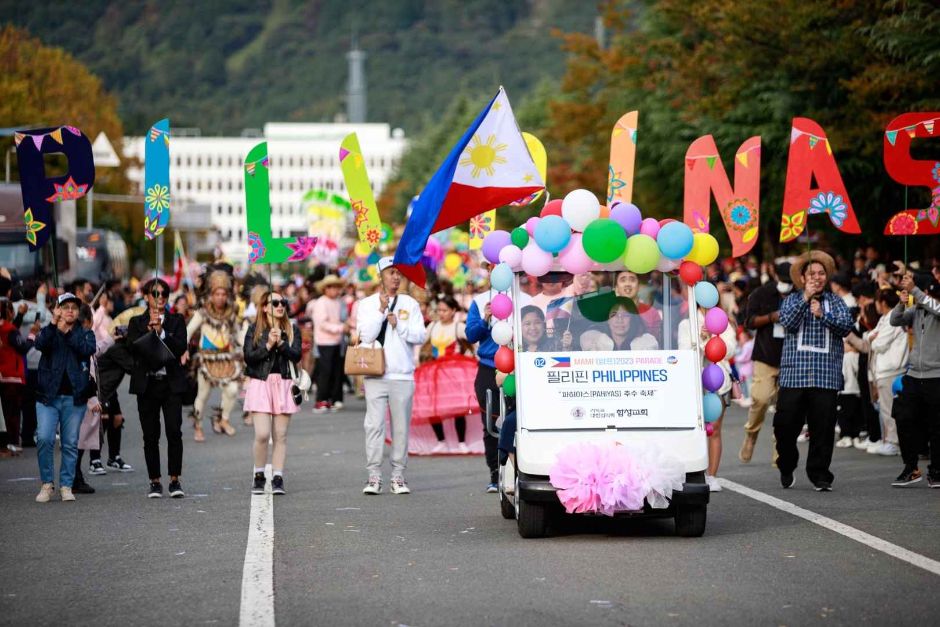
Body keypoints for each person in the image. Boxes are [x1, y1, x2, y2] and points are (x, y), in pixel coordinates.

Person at [774, 251, 853, 491]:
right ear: (802, 277)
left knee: (823, 428)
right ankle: (786, 464)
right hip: (794, 374)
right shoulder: (791, 299)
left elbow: (847, 326)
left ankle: (820, 474)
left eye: (821, 273)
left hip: (825, 376)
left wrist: (823, 314)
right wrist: (806, 298)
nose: (817, 278)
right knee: (784, 425)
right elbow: (787, 322)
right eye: (812, 274)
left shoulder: (836, 302)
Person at [356, 257, 427, 495]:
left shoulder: (410, 304)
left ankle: (398, 476)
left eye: (399, 273)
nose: (396, 277)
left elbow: (420, 336)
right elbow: (365, 336)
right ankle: (374, 476)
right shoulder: (366, 304)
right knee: (373, 426)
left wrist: (399, 325)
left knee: (400, 428)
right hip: (375, 373)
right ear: (380, 276)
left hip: (402, 375)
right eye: (391, 273)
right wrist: (380, 312)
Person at [127, 278, 189, 499]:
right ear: (146, 296)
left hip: (171, 384)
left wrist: (162, 332)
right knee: (150, 435)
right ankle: (155, 481)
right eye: (155, 293)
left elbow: (181, 346)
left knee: (174, 431)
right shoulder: (136, 322)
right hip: (147, 385)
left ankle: (174, 479)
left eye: (164, 294)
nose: (160, 297)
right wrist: (149, 332)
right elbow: (132, 348)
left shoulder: (176, 320)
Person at [33, 292, 97, 502]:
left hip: (74, 398)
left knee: (70, 443)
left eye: (74, 307)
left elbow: (86, 349)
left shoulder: (85, 333)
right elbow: (40, 344)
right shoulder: (50, 331)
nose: (70, 310)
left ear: (78, 313)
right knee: (44, 438)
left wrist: (67, 333)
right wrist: (53, 325)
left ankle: (66, 485)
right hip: (47, 397)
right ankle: (47, 483)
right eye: (65, 306)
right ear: (58, 310)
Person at [243, 290, 302, 495]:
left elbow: (296, 354)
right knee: (262, 434)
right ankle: (259, 474)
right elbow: (249, 357)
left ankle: (277, 477)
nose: (280, 306)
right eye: (274, 302)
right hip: (261, 383)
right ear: (265, 307)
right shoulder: (254, 329)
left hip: (284, 384)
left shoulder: (292, 329)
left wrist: (282, 344)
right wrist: (268, 344)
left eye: (283, 302)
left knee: (281, 435)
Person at [679, 303, 737, 492]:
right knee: (694, 429)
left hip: (718, 380)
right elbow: (685, 352)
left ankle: (712, 475)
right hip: (694, 383)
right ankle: (692, 473)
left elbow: (729, 350)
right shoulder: (687, 324)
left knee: (715, 429)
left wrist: (713, 338)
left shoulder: (724, 324)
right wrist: (702, 339)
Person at [890, 271, 940, 487]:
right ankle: (911, 468)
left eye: (916, 289)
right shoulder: (915, 309)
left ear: (926, 290)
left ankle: (936, 471)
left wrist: (915, 291)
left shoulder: (935, 306)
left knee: (937, 426)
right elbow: (895, 320)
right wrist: (902, 303)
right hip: (913, 374)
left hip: (936, 375)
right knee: (902, 416)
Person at [739, 262, 791, 463]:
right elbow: (749, 321)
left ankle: (780, 450)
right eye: (783, 280)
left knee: (785, 407)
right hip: (766, 355)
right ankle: (751, 434)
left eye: (790, 281)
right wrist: (771, 317)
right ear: (775, 277)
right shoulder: (762, 293)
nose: (787, 285)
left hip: (791, 358)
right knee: (760, 398)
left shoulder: (800, 293)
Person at [846, 289, 908, 457]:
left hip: (891, 370)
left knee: (890, 410)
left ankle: (894, 443)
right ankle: (888, 440)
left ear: (883, 303)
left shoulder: (894, 318)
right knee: (884, 409)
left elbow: (879, 343)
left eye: (878, 302)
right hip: (882, 370)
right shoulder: (884, 319)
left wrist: (872, 338)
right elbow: (869, 340)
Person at [186, 270, 243, 440]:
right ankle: (198, 426)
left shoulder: (231, 313)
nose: (220, 297)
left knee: (232, 390)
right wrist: (183, 351)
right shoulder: (202, 312)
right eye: (217, 294)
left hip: (226, 358)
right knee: (202, 395)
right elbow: (189, 331)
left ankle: (223, 419)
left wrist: (245, 348)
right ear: (211, 295)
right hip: (206, 359)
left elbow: (238, 334)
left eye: (223, 294)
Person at [420, 295, 473, 454]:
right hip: (434, 371)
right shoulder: (433, 326)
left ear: (453, 311)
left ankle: (462, 442)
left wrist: (468, 360)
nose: (441, 313)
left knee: (457, 407)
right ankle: (441, 441)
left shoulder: (459, 327)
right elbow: (421, 342)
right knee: (433, 407)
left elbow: (473, 343)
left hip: (454, 373)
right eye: (439, 310)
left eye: (445, 310)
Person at [311, 275, 348, 413]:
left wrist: (344, 326)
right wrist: (339, 328)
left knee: (337, 371)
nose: (334, 289)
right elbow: (322, 323)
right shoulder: (321, 302)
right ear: (325, 289)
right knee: (325, 372)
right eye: (331, 286)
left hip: (337, 341)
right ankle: (322, 399)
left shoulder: (339, 302)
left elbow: (342, 318)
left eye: (336, 286)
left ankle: (335, 398)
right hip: (324, 342)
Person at [0, 298, 32, 456]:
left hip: (3, 375)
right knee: (13, 411)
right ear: (8, 312)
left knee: (6, 412)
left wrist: (19, 316)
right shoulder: (9, 329)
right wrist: (32, 336)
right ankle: (12, 442)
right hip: (13, 375)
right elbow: (22, 346)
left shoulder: (5, 329)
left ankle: (7, 442)